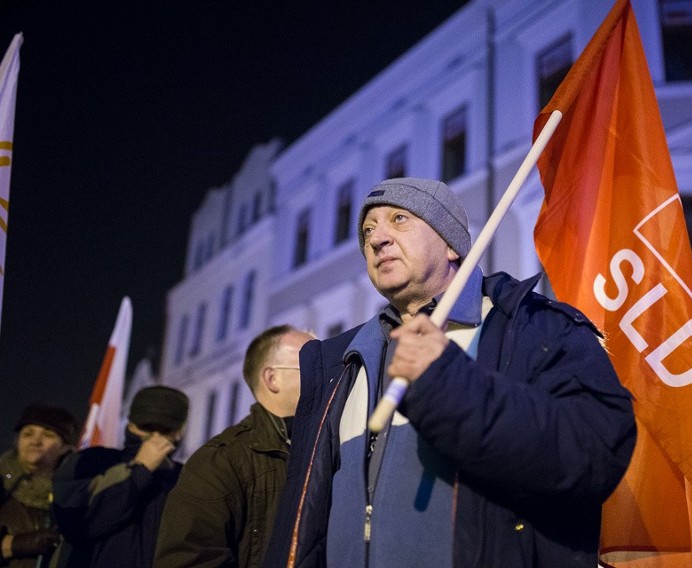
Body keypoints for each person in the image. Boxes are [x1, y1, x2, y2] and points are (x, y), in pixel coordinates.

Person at [263, 177, 637, 568]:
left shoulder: (533, 327)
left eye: (399, 219)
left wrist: (450, 385)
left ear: (451, 244)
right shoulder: (337, 361)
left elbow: (594, 451)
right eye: (368, 230)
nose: (377, 239)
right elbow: (302, 520)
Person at [153, 325, 315, 568]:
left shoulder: (327, 449)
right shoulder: (220, 460)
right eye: (312, 365)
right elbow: (188, 559)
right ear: (272, 378)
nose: (326, 374)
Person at [51, 385, 189, 568]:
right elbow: (76, 522)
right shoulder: (89, 461)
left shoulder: (186, 478)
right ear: (131, 425)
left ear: (179, 432)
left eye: (164, 430)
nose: (155, 438)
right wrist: (140, 470)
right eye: (147, 427)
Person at [0, 403, 78, 568]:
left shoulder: (76, 494)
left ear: (64, 447)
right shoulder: (2, 482)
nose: (35, 441)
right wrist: (16, 544)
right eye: (28, 434)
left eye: (48, 435)